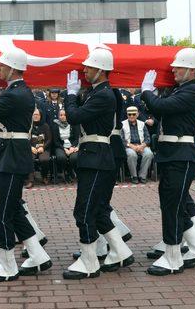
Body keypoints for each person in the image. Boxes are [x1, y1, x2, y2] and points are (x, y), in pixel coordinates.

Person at [0, 46, 51, 283]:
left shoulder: (14, 94)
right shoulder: (18, 92)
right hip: (12, 155)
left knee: (2, 211)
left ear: (11, 68)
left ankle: (8, 265)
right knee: (15, 209)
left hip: (11, 158)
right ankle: (38, 255)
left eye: (1, 65)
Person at [63, 44, 133, 279]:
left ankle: (90, 262)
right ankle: (121, 251)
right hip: (93, 155)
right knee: (99, 211)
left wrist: (71, 95)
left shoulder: (103, 94)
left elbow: (73, 117)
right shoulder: (97, 92)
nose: (84, 70)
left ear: (101, 71)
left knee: (83, 211)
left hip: (96, 158)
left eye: (89, 67)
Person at [140, 48, 195, 275]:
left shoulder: (192, 91)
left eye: (178, 67)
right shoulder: (180, 90)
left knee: (172, 205)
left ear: (191, 70)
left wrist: (146, 91)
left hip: (182, 155)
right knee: (174, 204)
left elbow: (161, 107)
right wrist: (153, 94)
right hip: (173, 154)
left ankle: (173, 256)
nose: (173, 69)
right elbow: (160, 111)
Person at [121, 105, 153, 184]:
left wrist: (142, 146)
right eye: (129, 114)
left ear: (137, 114)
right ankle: (134, 176)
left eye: (133, 114)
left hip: (141, 145)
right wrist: (132, 146)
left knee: (149, 154)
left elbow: (148, 138)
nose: (131, 116)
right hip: (129, 146)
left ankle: (142, 176)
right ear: (127, 115)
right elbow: (121, 139)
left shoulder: (142, 124)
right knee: (132, 154)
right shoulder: (122, 124)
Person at [52, 108, 79, 183]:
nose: (63, 116)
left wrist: (72, 147)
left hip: (72, 146)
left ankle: (69, 170)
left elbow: (76, 138)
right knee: (61, 157)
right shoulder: (55, 126)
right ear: (58, 116)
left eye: (65, 115)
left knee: (74, 158)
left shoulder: (73, 124)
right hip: (60, 146)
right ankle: (65, 171)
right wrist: (64, 149)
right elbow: (56, 141)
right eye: (61, 115)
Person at [28, 108, 52, 187]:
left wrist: (43, 147)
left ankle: (44, 176)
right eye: (34, 114)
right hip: (31, 148)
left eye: (37, 115)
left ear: (40, 116)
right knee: (29, 159)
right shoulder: (28, 126)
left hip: (43, 148)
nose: (35, 116)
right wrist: (30, 147)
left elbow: (49, 139)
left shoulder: (45, 125)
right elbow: (25, 138)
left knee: (44, 159)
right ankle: (31, 180)